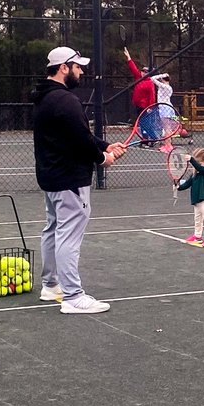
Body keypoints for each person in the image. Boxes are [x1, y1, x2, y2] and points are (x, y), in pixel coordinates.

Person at [32, 46, 126, 314]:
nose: (82, 72)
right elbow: (81, 139)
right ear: (64, 68)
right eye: (77, 67)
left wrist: (105, 146)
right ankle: (72, 296)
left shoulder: (44, 97)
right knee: (68, 236)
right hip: (69, 179)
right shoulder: (66, 100)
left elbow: (76, 133)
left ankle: (51, 286)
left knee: (53, 229)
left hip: (52, 177)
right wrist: (102, 158)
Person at [176, 147, 204, 248]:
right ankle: (197, 236)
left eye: (199, 162)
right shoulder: (195, 173)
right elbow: (187, 183)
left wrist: (191, 160)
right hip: (196, 200)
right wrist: (178, 187)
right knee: (197, 219)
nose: (197, 164)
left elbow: (200, 168)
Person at [123, 47, 156, 116]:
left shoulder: (150, 82)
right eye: (142, 71)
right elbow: (133, 68)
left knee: (143, 118)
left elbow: (152, 96)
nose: (143, 73)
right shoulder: (138, 77)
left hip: (144, 106)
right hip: (136, 104)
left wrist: (150, 107)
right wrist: (129, 58)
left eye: (145, 72)